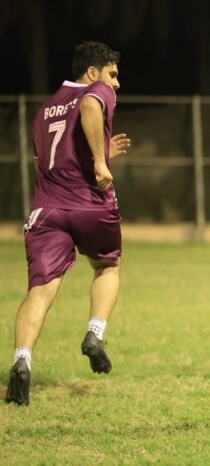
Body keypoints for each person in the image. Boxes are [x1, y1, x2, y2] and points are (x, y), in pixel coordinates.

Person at [5, 41, 131, 406]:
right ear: (92, 72)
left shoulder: (45, 109)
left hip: (46, 210)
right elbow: (90, 105)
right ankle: (94, 333)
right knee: (107, 266)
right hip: (89, 204)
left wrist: (100, 152)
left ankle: (22, 360)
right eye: (112, 74)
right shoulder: (98, 92)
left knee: (40, 291)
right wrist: (100, 162)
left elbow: (45, 160)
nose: (115, 83)